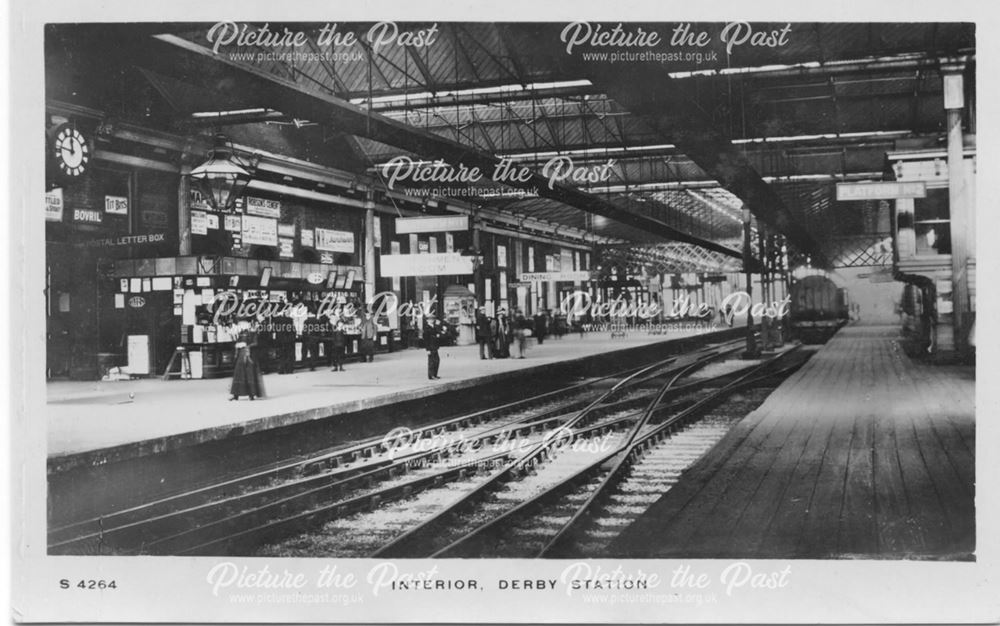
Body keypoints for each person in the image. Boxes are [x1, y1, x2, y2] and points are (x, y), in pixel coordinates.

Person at [230, 327, 264, 400]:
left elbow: (256, 343)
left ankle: (251, 395)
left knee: (249, 374)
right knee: (238, 374)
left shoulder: (253, 333)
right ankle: (236, 395)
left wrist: (247, 345)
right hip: (241, 354)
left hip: (249, 355)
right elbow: (237, 342)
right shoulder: (241, 333)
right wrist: (238, 345)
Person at [424, 313, 442, 380]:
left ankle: (435, 374)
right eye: (430, 319)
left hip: (435, 346)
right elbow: (426, 340)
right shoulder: (426, 328)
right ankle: (431, 375)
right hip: (430, 347)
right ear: (427, 320)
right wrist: (427, 349)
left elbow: (438, 333)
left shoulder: (434, 327)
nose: (431, 320)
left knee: (436, 360)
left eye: (432, 319)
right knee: (431, 362)